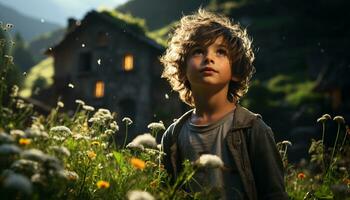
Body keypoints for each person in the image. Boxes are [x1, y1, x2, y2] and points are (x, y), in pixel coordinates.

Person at [160, 9, 288, 200]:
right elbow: (165, 193)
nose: (208, 58)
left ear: (235, 71)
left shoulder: (253, 130)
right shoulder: (172, 136)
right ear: (183, 69)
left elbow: (274, 194)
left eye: (220, 52)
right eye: (198, 51)